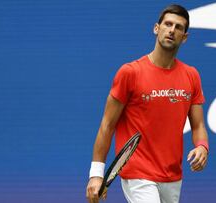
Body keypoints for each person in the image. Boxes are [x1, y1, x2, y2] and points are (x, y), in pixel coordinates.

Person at [86, 4, 209, 203]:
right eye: (168, 24)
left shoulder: (191, 76)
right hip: (138, 172)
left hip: (172, 175)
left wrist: (202, 146)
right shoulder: (130, 73)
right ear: (156, 28)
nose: (172, 30)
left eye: (178, 27)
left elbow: (198, 125)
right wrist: (96, 173)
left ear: (184, 37)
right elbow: (107, 125)